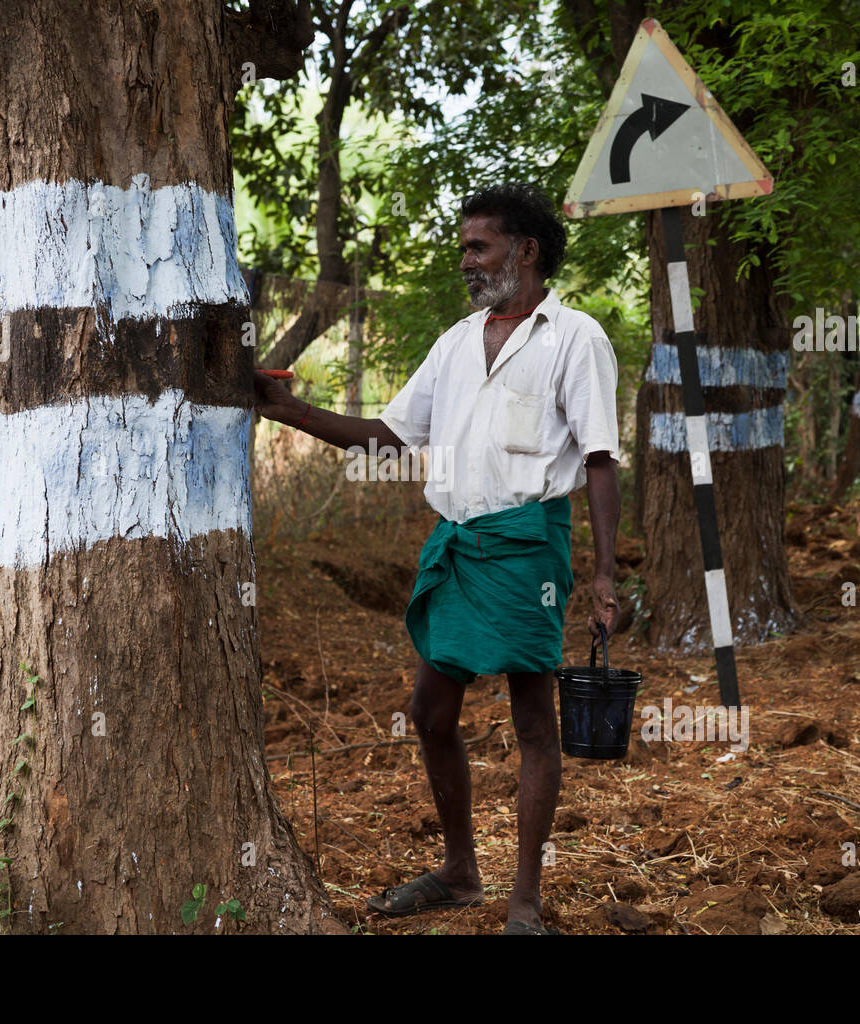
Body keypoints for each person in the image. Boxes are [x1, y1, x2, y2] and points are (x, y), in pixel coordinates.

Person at [253, 183, 621, 935]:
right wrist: (289, 410)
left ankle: (525, 900)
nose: (467, 262)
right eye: (463, 248)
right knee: (429, 711)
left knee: (533, 722)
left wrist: (607, 574)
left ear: (527, 250)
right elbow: (392, 437)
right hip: (456, 547)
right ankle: (459, 872)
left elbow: (602, 458)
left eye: (478, 246)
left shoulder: (575, 338)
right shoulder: (456, 343)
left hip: (526, 546)